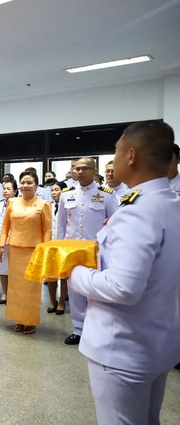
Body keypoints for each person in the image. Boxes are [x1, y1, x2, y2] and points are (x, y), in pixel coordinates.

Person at [68, 120, 180, 425]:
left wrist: (74, 273)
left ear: (131, 156)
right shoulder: (170, 202)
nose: (112, 161)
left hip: (122, 346)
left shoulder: (137, 211)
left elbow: (123, 288)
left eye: (116, 152)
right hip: (156, 341)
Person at [57, 157, 119, 346]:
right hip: (72, 251)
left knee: (95, 292)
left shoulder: (106, 194)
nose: (81, 172)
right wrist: (60, 249)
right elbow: (61, 226)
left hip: (96, 251)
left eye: (85, 168)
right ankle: (78, 329)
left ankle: (97, 329)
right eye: (77, 168)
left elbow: (115, 224)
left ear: (94, 170)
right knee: (75, 291)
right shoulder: (66, 195)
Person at [0, 171, 52, 334]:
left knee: (31, 287)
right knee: (16, 287)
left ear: (36, 185)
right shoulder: (12, 203)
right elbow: (5, 226)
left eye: (29, 182)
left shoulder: (44, 204)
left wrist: (45, 250)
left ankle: (30, 321)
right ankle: (18, 319)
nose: (25, 185)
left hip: (34, 250)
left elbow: (47, 230)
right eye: (23, 182)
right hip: (14, 249)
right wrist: (1, 245)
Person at [0, 180, 18, 305]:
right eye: (4, 188)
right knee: (2, 268)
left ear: (15, 191)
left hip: (14, 240)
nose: (5, 191)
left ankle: (13, 293)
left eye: (9, 188)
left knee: (13, 269)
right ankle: (5, 292)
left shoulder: (19, 204)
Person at [46, 181, 68, 314]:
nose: (54, 192)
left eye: (57, 190)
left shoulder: (68, 206)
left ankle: (61, 302)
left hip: (64, 244)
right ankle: (52, 300)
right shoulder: (48, 206)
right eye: (52, 190)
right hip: (50, 244)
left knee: (63, 275)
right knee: (50, 275)